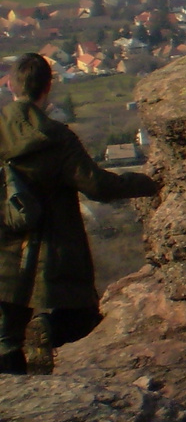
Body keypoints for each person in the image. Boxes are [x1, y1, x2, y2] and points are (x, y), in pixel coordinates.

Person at [1, 53, 158, 374]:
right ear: (48, 88)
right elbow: (97, 186)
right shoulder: (57, 137)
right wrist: (148, 182)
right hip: (55, 254)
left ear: (8, 85)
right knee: (83, 319)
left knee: (4, 340)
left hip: (3, 255)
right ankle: (47, 329)